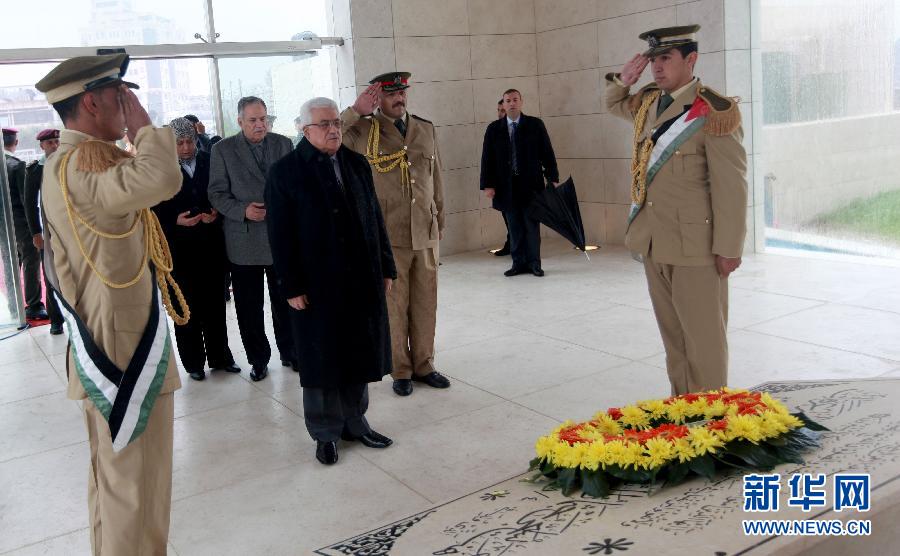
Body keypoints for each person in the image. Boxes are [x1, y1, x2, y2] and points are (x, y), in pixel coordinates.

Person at [35, 53, 185, 555]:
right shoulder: (80, 163)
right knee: (131, 483)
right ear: (93, 103)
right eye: (121, 96)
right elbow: (162, 179)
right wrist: (145, 129)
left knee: (133, 480)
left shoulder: (78, 160)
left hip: (120, 332)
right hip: (120, 347)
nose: (129, 106)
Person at [605, 25, 748, 395]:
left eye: (665, 58)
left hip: (695, 247)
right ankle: (683, 407)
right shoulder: (649, 103)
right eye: (653, 59)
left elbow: (731, 186)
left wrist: (729, 248)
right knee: (674, 341)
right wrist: (623, 81)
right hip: (655, 242)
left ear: (691, 59)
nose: (657, 67)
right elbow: (614, 104)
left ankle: (711, 415)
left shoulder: (714, 111)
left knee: (704, 341)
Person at [266, 96, 396, 465]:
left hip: (361, 278)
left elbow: (375, 219)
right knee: (322, 361)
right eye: (324, 124)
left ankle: (356, 423)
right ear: (305, 130)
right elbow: (280, 235)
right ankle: (325, 433)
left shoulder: (356, 163)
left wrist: (386, 266)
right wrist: (291, 286)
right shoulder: (285, 172)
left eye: (336, 122)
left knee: (358, 352)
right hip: (316, 285)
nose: (333, 129)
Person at [342, 71, 450, 397]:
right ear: (378, 98)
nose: (399, 98)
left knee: (426, 301)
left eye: (402, 92)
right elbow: (331, 138)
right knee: (394, 305)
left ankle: (424, 364)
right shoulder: (363, 130)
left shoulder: (425, 128)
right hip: (389, 234)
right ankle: (400, 369)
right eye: (391, 94)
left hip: (424, 230)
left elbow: (436, 177)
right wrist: (356, 110)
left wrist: (439, 218)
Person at [208, 96, 295, 381]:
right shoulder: (223, 150)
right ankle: (258, 360)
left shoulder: (283, 144)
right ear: (240, 121)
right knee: (249, 307)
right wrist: (242, 210)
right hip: (244, 239)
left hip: (280, 236)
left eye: (264, 119)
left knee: (287, 300)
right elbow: (216, 193)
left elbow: (295, 186)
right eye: (253, 120)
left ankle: (291, 352)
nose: (260, 125)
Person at [152, 118, 240, 381]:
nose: (186, 147)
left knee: (215, 305)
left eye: (189, 141)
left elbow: (224, 193)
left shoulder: (209, 161)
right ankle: (193, 363)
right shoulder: (160, 170)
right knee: (186, 306)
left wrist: (217, 213)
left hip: (211, 246)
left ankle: (220, 357)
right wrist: (174, 220)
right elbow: (150, 211)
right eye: (179, 143)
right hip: (179, 250)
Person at [480, 89, 559, 277]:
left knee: (531, 226)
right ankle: (518, 263)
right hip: (506, 187)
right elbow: (487, 159)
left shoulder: (535, 125)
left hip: (531, 186)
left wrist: (552, 178)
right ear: (503, 104)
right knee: (514, 227)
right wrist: (488, 185)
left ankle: (534, 263)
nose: (512, 103)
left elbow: (547, 153)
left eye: (515, 99)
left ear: (521, 102)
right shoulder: (493, 129)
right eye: (508, 100)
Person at [3, 127, 49, 320]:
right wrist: (35, 230)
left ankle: (14, 306)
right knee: (31, 261)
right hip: (22, 223)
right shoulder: (17, 165)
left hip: (4, 225)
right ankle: (34, 305)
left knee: (10, 263)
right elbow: (26, 200)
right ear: (16, 142)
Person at [23, 128, 64, 334]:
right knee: (50, 274)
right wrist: (36, 233)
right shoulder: (35, 169)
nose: (55, 146)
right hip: (48, 230)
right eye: (50, 143)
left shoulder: (68, 163)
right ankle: (56, 320)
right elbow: (30, 204)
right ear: (42, 146)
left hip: (69, 228)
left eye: (57, 141)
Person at [492, 98, 511, 257]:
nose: (499, 114)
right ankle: (511, 243)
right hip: (502, 183)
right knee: (507, 216)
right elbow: (489, 158)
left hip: (517, 184)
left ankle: (517, 244)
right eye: (498, 110)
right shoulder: (495, 129)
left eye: (502, 110)